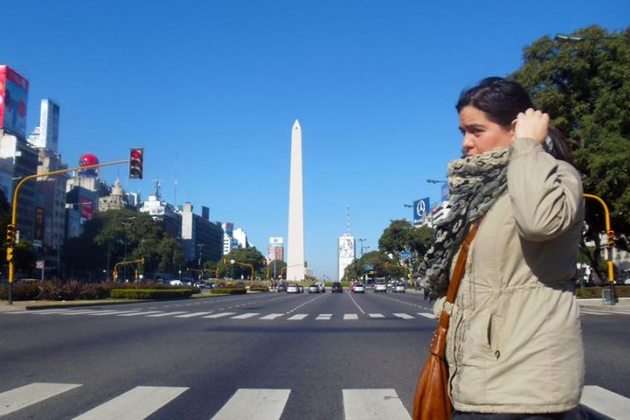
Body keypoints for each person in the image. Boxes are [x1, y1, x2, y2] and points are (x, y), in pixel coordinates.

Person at [422, 77, 585, 419]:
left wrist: (528, 147)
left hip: (526, 386)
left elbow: (540, 223)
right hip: (479, 379)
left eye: (476, 131)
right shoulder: (482, 195)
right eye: (462, 132)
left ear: (515, 127)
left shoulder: (556, 176)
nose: (466, 143)